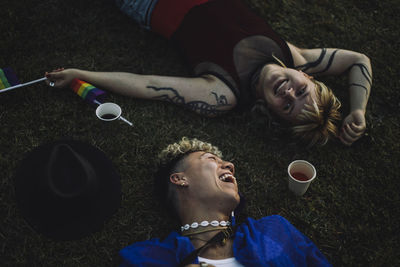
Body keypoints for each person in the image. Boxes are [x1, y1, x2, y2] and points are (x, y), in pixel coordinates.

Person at [45, 0, 372, 146]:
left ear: (272, 112)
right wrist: (358, 109)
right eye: (300, 91)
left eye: (287, 105)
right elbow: (358, 60)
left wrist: (81, 73)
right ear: (309, 77)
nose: (288, 92)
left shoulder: (224, 94)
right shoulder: (296, 58)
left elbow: (150, 85)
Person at [119, 137, 331, 266]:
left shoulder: (275, 231)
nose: (229, 165)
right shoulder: (144, 259)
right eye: (211, 159)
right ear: (180, 179)